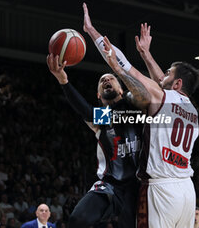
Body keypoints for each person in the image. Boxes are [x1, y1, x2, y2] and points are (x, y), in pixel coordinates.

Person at [83, 3, 199, 228]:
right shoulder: (192, 110)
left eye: (168, 73)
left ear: (176, 83)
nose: (161, 74)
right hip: (186, 188)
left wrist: (91, 31)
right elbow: (161, 85)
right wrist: (146, 54)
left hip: (160, 189)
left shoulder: (160, 97)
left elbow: (123, 64)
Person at [47, 20, 150, 228]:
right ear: (98, 95)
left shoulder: (135, 107)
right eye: (102, 81)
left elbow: (145, 95)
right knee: (78, 220)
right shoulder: (103, 116)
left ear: (121, 89)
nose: (106, 81)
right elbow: (84, 109)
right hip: (110, 185)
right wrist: (63, 80)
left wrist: (118, 68)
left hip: (138, 187)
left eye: (110, 78)